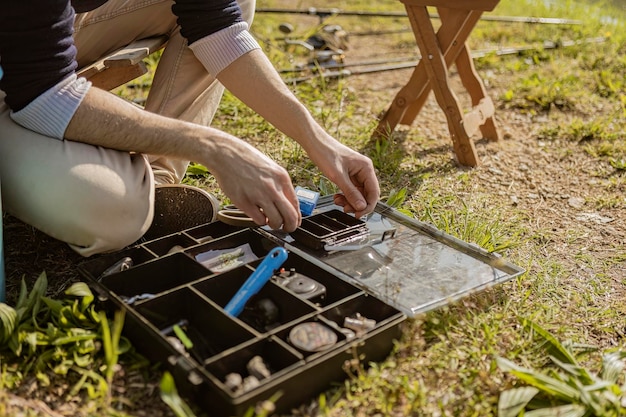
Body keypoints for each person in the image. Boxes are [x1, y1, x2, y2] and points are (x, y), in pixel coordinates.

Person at [0, 0, 380, 257]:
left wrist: (319, 141)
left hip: (33, 46)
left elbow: (216, 24)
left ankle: (158, 180)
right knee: (117, 216)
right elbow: (43, 92)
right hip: (27, 78)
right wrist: (216, 147)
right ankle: (132, 196)